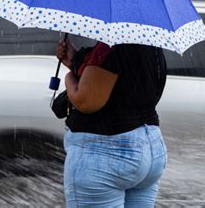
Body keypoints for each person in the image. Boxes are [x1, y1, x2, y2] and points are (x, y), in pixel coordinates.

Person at [55, 36, 168, 207]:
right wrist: (75, 59)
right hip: (150, 148)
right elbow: (121, 79)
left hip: (106, 151)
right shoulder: (150, 43)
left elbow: (86, 100)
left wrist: (69, 79)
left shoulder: (110, 46)